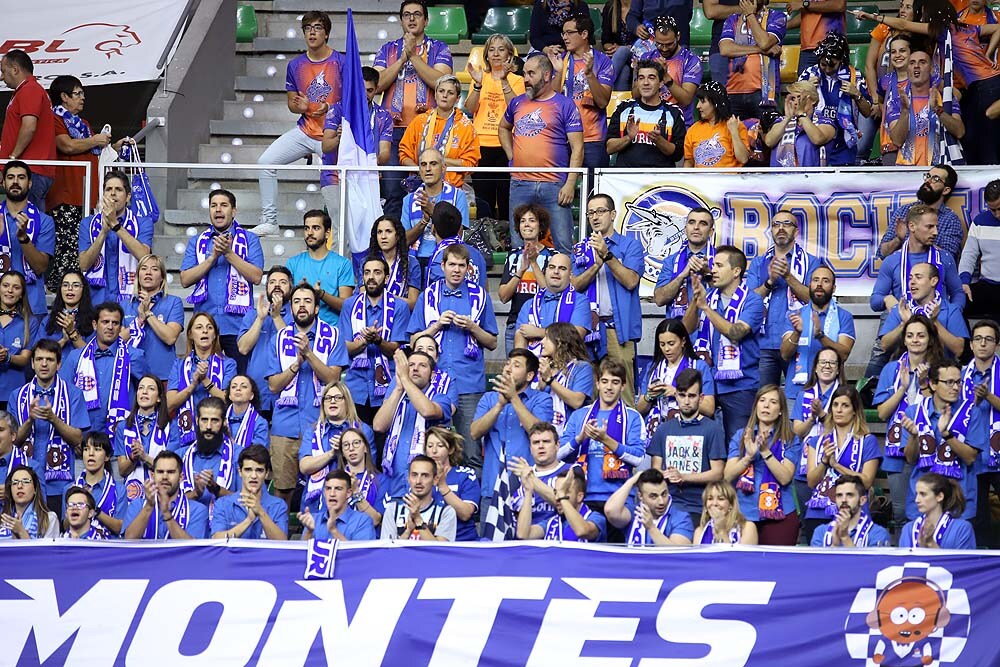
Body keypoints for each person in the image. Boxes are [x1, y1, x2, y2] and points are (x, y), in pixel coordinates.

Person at [854, 0, 1000, 165]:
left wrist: (874, 17)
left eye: (924, 14)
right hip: (992, 81)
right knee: (985, 139)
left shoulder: (943, 31)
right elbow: (998, 28)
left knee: (983, 143)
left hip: (984, 87)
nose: (922, 18)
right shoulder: (966, 27)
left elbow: (902, 24)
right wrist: (988, 54)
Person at [254, 11, 343, 238]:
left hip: (333, 136)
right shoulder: (296, 65)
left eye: (317, 27)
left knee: (334, 196)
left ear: (327, 33)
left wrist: (330, 109)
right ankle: (270, 221)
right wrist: (302, 108)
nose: (312, 32)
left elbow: (353, 100)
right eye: (307, 28)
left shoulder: (341, 62)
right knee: (265, 162)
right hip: (306, 130)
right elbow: (292, 104)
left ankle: (341, 239)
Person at [409, 244, 498, 465]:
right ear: (443, 266)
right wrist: (436, 325)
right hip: (434, 384)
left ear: (468, 268)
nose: (456, 270)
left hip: (468, 384)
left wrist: (473, 327)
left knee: (472, 453)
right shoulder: (428, 295)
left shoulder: (480, 296)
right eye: (452, 265)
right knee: (427, 451)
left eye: (461, 265)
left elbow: (493, 342)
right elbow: (413, 342)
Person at [265, 283, 348, 504]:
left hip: (320, 425)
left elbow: (333, 379)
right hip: (285, 427)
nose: (302, 306)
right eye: (297, 302)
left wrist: (308, 354)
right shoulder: (279, 337)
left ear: (317, 308)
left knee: (327, 491)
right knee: (282, 493)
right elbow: (273, 386)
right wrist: (296, 365)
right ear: (290, 307)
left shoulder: (333, 335)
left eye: (307, 301)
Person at [374, 0, 454, 221]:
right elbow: (376, 83)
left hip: (427, 130)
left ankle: (427, 244)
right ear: (401, 20)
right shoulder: (388, 49)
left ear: (426, 20)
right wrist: (402, 58)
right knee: (392, 193)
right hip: (391, 131)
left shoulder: (439, 48)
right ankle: (394, 247)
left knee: (427, 189)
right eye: (407, 14)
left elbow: (441, 82)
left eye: (417, 14)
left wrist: (414, 56)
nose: (411, 18)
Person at [500, 53, 584, 255]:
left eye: (531, 73)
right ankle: (521, 286)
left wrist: (571, 183)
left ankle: (567, 287)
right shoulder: (517, 103)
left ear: (546, 76)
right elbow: (503, 128)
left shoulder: (565, 104)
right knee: (518, 246)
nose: (525, 79)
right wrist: (512, 156)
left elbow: (578, 147)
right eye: (524, 73)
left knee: (563, 245)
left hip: (554, 184)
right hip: (520, 182)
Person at [46, 75, 125, 289]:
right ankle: (61, 289)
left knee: (80, 245)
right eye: (78, 93)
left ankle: (77, 287)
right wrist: (94, 140)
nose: (83, 98)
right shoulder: (53, 119)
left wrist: (113, 148)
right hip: (65, 194)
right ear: (64, 97)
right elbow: (67, 146)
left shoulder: (83, 124)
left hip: (87, 195)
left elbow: (95, 151)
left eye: (82, 94)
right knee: (66, 247)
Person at [683, 245, 765, 444]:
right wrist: (696, 300)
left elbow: (735, 332)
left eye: (719, 265)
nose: (713, 270)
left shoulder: (753, 301)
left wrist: (706, 308)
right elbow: (685, 329)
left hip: (740, 387)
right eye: (713, 265)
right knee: (701, 444)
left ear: (736, 271)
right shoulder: (708, 298)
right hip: (705, 383)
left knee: (737, 445)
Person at [558, 357, 645, 541]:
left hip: (619, 501)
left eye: (615, 382)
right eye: (604, 381)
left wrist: (607, 440)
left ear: (623, 386)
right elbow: (559, 455)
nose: (609, 387)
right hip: (584, 497)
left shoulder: (633, 417)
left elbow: (638, 458)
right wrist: (580, 438)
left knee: (616, 555)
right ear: (597, 384)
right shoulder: (580, 415)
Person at [180, 189, 264, 373]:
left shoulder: (250, 239)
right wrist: (212, 258)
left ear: (234, 211)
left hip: (238, 326)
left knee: (239, 384)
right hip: (206, 327)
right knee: (204, 381)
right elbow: (185, 279)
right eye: (213, 206)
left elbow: (257, 276)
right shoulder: (197, 241)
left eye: (223, 205)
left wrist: (229, 254)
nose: (218, 210)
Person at [874, 314, 944, 527]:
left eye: (921, 335)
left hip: (932, 450)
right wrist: (902, 388)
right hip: (897, 453)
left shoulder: (940, 370)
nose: (915, 340)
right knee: (901, 514)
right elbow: (882, 414)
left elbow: (945, 410)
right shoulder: (890, 369)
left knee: (933, 513)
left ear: (930, 339)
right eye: (910, 335)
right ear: (903, 340)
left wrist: (924, 384)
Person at [572, 194, 643, 402]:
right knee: (590, 397)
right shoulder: (580, 248)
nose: (595, 217)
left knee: (625, 396)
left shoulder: (630, 246)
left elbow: (631, 281)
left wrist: (607, 256)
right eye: (590, 212)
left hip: (616, 330)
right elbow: (573, 286)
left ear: (613, 214)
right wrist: (595, 265)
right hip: (588, 331)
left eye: (600, 211)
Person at [320, 65, 393, 253]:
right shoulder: (337, 111)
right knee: (340, 229)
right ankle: (340, 280)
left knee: (367, 229)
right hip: (335, 178)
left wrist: (366, 162)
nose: (365, 95)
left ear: (376, 90)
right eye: (361, 90)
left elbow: (384, 154)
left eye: (370, 90)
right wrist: (340, 138)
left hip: (366, 178)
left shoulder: (383, 116)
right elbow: (326, 146)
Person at [10, 338, 88, 514]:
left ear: (59, 364)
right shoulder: (17, 396)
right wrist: (29, 420)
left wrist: (54, 419)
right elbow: (12, 442)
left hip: (60, 484)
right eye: (39, 359)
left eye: (50, 360)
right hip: (25, 483)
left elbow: (77, 439)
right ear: (32, 363)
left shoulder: (73, 394)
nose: (44, 364)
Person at [898, 360, 982, 523]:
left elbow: (970, 457)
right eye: (949, 382)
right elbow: (910, 458)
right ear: (933, 384)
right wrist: (914, 436)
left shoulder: (972, 412)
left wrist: (946, 435)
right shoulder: (913, 412)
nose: (956, 387)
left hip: (959, 500)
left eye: (958, 382)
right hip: (922, 502)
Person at [472, 349, 554, 512]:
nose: (508, 368)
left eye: (516, 365)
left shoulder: (542, 399)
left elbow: (539, 433)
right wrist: (499, 405)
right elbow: (474, 432)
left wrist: (514, 398)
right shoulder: (489, 398)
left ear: (529, 376)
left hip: (527, 488)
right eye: (507, 363)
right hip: (492, 487)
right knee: (490, 538)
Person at [748, 210, 821, 389]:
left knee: (796, 399)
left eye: (787, 224)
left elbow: (815, 300)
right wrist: (770, 281)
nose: (781, 228)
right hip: (763, 344)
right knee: (763, 401)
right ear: (771, 231)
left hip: (798, 342)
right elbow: (749, 302)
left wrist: (788, 276)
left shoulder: (811, 263)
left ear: (796, 232)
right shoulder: (758, 263)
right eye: (776, 224)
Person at [647, 367, 726, 525]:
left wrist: (684, 477)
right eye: (682, 395)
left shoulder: (713, 428)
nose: (687, 401)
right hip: (667, 505)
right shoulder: (664, 429)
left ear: (701, 397)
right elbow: (655, 472)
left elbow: (718, 473)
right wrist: (665, 474)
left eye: (692, 396)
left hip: (700, 506)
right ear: (676, 396)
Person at [724, 385, 802, 545]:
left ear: (781, 410)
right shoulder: (742, 435)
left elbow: (785, 477)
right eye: (762, 400)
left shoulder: (790, 438)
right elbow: (728, 475)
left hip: (780, 515)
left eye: (773, 402)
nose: (766, 405)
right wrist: (748, 457)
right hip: (745, 513)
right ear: (756, 406)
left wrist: (765, 451)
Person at [803, 386, 882, 540]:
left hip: (853, 511)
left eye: (845, 405)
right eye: (835, 405)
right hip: (818, 512)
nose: (839, 410)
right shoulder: (816, 441)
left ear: (855, 410)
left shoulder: (868, 441)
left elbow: (866, 482)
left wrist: (836, 465)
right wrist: (825, 462)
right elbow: (811, 482)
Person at [374, 349, 454, 500]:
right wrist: (398, 388)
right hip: (395, 484)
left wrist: (405, 378)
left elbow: (427, 410)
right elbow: (378, 425)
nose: (415, 368)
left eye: (422, 365)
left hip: (427, 489)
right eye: (410, 365)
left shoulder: (440, 398)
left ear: (432, 375)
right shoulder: (397, 396)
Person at [340, 256, 411, 424]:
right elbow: (343, 347)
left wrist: (378, 341)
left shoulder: (400, 307)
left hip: (388, 390)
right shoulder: (349, 305)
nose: (371, 277)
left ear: (386, 278)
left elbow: (398, 350)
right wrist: (364, 341)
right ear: (362, 278)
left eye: (377, 272)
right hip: (355, 389)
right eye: (367, 272)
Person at [61, 302, 147, 435]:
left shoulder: (134, 356)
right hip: (81, 436)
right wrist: (71, 435)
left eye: (115, 323)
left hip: (121, 438)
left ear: (120, 327)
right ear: (95, 325)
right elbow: (62, 395)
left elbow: (150, 393)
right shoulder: (75, 357)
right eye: (105, 322)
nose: (110, 327)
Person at [464, 34, 525, 221]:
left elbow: (517, 108)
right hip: (481, 146)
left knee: (507, 197)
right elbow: (471, 107)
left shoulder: (517, 79)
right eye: (492, 49)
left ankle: (508, 239)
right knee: (484, 200)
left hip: (506, 145)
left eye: (501, 49)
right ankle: (486, 240)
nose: (496, 54)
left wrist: (504, 80)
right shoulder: (481, 77)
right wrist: (477, 85)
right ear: (486, 56)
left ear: (509, 54)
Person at [780, 265, 856, 405]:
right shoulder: (794, 316)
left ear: (833, 288)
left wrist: (821, 336)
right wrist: (797, 333)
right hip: (796, 393)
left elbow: (844, 354)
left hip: (832, 395)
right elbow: (785, 354)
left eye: (825, 281)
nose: (819, 284)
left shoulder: (844, 317)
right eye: (815, 280)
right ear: (809, 285)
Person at [298, 382, 376, 516]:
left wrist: (346, 449)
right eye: (328, 398)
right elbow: (304, 466)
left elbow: (369, 467)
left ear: (347, 401)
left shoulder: (363, 430)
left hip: (352, 500)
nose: (332, 401)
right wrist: (332, 453)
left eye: (338, 397)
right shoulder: (312, 431)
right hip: (316, 505)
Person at [797, 33, 874, 167]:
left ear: (841, 60)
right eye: (823, 64)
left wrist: (856, 94)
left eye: (832, 65)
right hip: (815, 136)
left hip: (844, 142)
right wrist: (806, 88)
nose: (827, 69)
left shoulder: (855, 76)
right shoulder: (809, 73)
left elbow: (868, 112)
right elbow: (795, 107)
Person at [78, 170, 154, 305]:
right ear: (103, 195)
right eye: (108, 189)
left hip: (130, 301)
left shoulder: (143, 223)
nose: (113, 193)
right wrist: (103, 232)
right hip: (96, 300)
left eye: (118, 189)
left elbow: (144, 257)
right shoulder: (88, 223)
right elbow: (84, 264)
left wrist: (115, 225)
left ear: (128, 196)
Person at [548, 13, 613, 169]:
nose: (564, 37)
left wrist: (590, 74)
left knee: (593, 190)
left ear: (584, 34)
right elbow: (551, 100)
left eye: (569, 33)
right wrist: (557, 72)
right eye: (563, 33)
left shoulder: (602, 61)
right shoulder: (559, 60)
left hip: (592, 139)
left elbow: (603, 102)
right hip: (562, 137)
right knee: (561, 190)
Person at [166, 312, 237, 449]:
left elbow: (229, 400)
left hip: (217, 432)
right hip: (183, 434)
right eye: (199, 327)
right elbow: (169, 404)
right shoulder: (179, 364)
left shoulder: (228, 364)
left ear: (215, 335)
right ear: (190, 335)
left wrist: (206, 381)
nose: (205, 331)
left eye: (209, 328)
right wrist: (192, 385)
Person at [886, 49, 965, 165]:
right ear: (908, 70)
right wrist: (905, 112)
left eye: (922, 62)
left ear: (931, 69)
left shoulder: (945, 98)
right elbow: (897, 141)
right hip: (908, 172)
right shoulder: (897, 101)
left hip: (941, 169)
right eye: (912, 63)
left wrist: (938, 110)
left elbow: (960, 132)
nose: (916, 66)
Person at [399, 74, 480, 188]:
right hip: (420, 186)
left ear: (457, 98)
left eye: (450, 93)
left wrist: (437, 160)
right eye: (441, 91)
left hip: (451, 188)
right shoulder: (419, 121)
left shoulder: (466, 127)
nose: (445, 95)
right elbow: (404, 155)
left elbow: (470, 164)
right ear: (435, 95)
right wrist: (421, 171)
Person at [638, 321, 716, 438]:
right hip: (657, 430)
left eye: (671, 343)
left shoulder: (699, 366)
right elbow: (639, 409)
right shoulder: (653, 368)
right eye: (662, 344)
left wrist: (676, 393)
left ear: (683, 341)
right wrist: (649, 396)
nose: (667, 349)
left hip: (690, 430)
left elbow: (709, 408)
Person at [606, 59, 686, 167]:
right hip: (625, 179)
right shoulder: (623, 108)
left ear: (661, 83)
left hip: (659, 179)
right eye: (641, 78)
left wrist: (659, 140)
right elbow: (609, 148)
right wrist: (628, 138)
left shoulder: (673, 112)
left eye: (651, 78)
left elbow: (678, 155)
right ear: (637, 82)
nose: (646, 83)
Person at [401, 149, 471, 272]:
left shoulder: (458, 196)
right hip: (415, 262)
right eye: (423, 164)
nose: (428, 169)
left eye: (433, 164)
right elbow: (404, 240)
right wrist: (424, 221)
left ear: (443, 168)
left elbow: (457, 235)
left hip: (446, 262)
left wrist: (433, 212)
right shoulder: (409, 200)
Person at [0, 50, 55, 206]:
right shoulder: (25, 90)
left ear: (15, 69)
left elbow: (29, 127)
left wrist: (11, 159)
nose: (2, 77)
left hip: (30, 170)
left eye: (4, 71)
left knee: (29, 223)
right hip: (28, 169)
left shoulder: (30, 89)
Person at [878, 262, 968, 358]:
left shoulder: (951, 310)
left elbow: (959, 350)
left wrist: (935, 323)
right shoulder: (902, 309)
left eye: (918, 277)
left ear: (933, 281)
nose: (912, 282)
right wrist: (905, 324)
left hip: (941, 369)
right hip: (906, 369)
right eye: (910, 278)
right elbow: (884, 345)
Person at [0, 161, 55, 317]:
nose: (15, 182)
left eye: (21, 177)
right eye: (10, 177)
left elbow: (40, 267)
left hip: (31, 306)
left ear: (29, 183)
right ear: (3, 183)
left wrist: (24, 239)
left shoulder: (44, 221)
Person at [863, 0, 915, 163]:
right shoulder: (884, 28)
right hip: (882, 92)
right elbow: (869, 66)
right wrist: (875, 101)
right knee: (863, 144)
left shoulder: (918, 33)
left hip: (908, 90)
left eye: (908, 7)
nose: (902, 10)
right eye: (901, 6)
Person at [877, 165, 963, 263]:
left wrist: (920, 239)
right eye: (928, 176)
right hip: (900, 274)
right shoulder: (904, 212)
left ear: (946, 190)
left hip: (932, 276)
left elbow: (947, 260)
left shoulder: (950, 220)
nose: (928, 181)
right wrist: (898, 239)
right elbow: (882, 254)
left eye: (936, 179)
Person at [499, 204, 555, 353]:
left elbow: (549, 294)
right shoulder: (512, 256)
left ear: (540, 226)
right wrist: (521, 270)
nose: (527, 224)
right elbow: (503, 296)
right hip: (515, 326)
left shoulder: (553, 256)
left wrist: (533, 263)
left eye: (532, 220)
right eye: (523, 221)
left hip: (542, 326)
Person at [238, 266, 292, 416]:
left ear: (291, 288)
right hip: (257, 392)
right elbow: (243, 348)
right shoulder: (252, 314)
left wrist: (276, 317)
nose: (277, 285)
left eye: (283, 282)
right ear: (266, 287)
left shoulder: (297, 314)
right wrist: (260, 319)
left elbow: (293, 348)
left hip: (286, 393)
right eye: (272, 282)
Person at [286, 209, 355, 326]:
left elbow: (346, 306)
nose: (310, 233)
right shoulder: (292, 263)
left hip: (333, 333)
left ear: (327, 233)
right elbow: (286, 302)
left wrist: (321, 294)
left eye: (316, 228)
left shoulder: (343, 264)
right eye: (306, 228)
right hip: (299, 331)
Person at [719, 0, 786, 118]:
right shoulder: (733, 19)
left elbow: (764, 42)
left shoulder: (777, 17)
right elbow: (725, 49)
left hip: (764, 92)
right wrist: (759, 50)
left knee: (766, 134)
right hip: (734, 91)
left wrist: (750, 15)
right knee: (736, 134)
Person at [121, 254, 184, 382]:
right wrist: (138, 321)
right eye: (144, 268)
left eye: (154, 269)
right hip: (130, 375)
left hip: (163, 376)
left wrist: (148, 313)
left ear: (162, 277)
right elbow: (118, 341)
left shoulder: (173, 302)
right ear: (138, 275)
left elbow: (170, 338)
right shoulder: (124, 304)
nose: (148, 272)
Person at [514, 253, 591, 355]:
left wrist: (539, 332)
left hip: (567, 365)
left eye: (562, 268)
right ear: (545, 271)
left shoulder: (581, 301)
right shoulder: (530, 304)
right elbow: (520, 338)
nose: (556, 271)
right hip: (534, 366)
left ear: (570, 275)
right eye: (551, 267)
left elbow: (576, 336)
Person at [965, 320, 1000, 547]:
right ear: (971, 345)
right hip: (972, 457)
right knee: (978, 519)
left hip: (999, 454)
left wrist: (989, 397)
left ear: (997, 344)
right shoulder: (959, 375)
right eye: (978, 339)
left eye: (988, 339)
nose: (983, 344)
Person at [122, 450, 209, 540]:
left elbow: (194, 549)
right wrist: (148, 507)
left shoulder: (198, 510)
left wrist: (166, 514)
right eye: (160, 472)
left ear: (181, 477)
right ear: (152, 476)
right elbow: (128, 541)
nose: (165, 477)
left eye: (171, 472)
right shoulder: (137, 505)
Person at [114, 374, 172, 508]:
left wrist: (144, 457)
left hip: (163, 495)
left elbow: (170, 467)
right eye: (141, 388)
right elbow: (122, 470)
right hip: (132, 496)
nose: (144, 392)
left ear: (158, 398)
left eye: (151, 388)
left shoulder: (170, 426)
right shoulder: (123, 426)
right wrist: (134, 457)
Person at [210, 445, 288, 539]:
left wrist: (260, 512)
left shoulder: (279, 505)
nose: (253, 476)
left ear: (266, 474)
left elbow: (283, 543)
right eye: (248, 470)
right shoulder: (223, 504)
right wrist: (249, 520)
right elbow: (216, 540)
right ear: (240, 471)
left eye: (259, 470)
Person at [637, 17, 702, 128]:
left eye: (669, 44)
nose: (664, 49)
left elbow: (686, 99)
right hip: (648, 122)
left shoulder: (691, 61)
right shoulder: (646, 58)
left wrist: (665, 76)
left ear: (678, 36)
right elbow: (635, 95)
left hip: (680, 125)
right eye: (659, 44)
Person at [604, 468, 694, 545]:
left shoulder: (681, 518)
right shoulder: (635, 512)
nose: (661, 502)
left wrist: (651, 528)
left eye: (664, 494)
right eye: (653, 496)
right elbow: (610, 510)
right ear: (640, 496)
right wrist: (632, 481)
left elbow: (678, 554)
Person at [516, 465, 606, 541]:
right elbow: (523, 534)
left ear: (579, 497)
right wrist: (528, 492)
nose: (557, 497)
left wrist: (562, 495)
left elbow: (582, 531)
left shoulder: (596, 518)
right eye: (556, 492)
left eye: (565, 491)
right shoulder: (553, 523)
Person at [654, 207, 716, 317]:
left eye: (703, 223)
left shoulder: (721, 259)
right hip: (678, 330)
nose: (696, 227)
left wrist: (707, 274)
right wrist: (681, 275)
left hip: (711, 329)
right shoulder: (671, 261)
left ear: (711, 232)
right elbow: (659, 299)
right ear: (685, 229)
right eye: (692, 222)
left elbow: (729, 297)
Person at [380, 454, 457, 540]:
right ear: (408, 478)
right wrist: (408, 531)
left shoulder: (446, 512)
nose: (418, 481)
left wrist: (418, 519)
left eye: (425, 475)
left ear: (435, 480)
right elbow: (388, 551)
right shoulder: (393, 509)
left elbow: (439, 551)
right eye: (414, 475)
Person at [535, 323, 594, 434]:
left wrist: (550, 380)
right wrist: (541, 385)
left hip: (572, 434)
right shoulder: (546, 367)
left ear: (559, 342)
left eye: (547, 338)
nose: (541, 342)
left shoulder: (582, 368)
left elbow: (576, 402)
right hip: (545, 433)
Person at [510, 422, 573, 525]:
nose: (541, 446)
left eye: (546, 441)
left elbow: (568, 506)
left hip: (560, 536)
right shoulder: (519, 476)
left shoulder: (572, 471)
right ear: (530, 448)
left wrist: (532, 479)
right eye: (535, 442)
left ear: (557, 445)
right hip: (529, 537)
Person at [424, 426, 479, 541]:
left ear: (451, 450)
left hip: (462, 542)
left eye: (440, 446)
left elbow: (465, 514)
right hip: (430, 544)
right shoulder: (419, 477)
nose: (434, 451)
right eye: (430, 446)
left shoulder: (466, 475)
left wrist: (443, 486)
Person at [765, 80, 837, 166]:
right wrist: (787, 119)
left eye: (799, 98)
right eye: (792, 99)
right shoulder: (781, 121)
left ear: (813, 100)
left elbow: (818, 139)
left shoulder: (826, 122)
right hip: (781, 177)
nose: (795, 102)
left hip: (812, 178)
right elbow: (769, 142)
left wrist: (801, 114)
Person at [809, 474, 892, 547]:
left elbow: (871, 564)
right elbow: (819, 564)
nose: (843, 500)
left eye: (850, 495)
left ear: (862, 500)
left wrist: (845, 538)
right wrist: (834, 545)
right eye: (839, 495)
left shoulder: (878, 534)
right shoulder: (820, 532)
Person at [899, 472, 977, 548]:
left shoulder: (962, 529)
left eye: (923, 494)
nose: (917, 500)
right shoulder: (908, 529)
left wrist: (930, 543)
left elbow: (963, 561)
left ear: (940, 496)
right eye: (916, 494)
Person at [423, 201, 488, 288]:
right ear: (459, 228)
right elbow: (485, 291)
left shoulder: (440, 260)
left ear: (433, 228)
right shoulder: (477, 254)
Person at [683, 82, 750, 167]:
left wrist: (734, 132)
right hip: (700, 179)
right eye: (698, 101)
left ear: (715, 103)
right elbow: (689, 161)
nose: (698, 106)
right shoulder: (693, 129)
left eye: (702, 101)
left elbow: (743, 159)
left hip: (730, 179)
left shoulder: (736, 125)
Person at [959, 179, 1000, 318]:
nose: (997, 214)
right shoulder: (980, 221)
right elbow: (969, 255)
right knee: (957, 304)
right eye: (993, 210)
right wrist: (964, 281)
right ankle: (965, 340)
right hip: (988, 285)